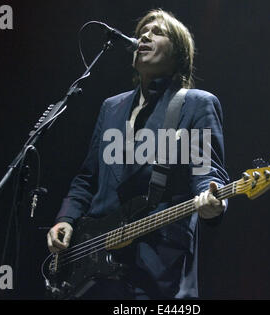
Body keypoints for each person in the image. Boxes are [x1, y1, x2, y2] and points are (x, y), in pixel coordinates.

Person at [47, 9, 229, 299]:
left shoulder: (196, 105)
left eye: (157, 32)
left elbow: (207, 172)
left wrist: (214, 202)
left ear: (180, 53)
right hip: (92, 265)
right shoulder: (111, 107)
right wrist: (66, 220)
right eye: (143, 31)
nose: (144, 35)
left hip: (155, 269)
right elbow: (87, 177)